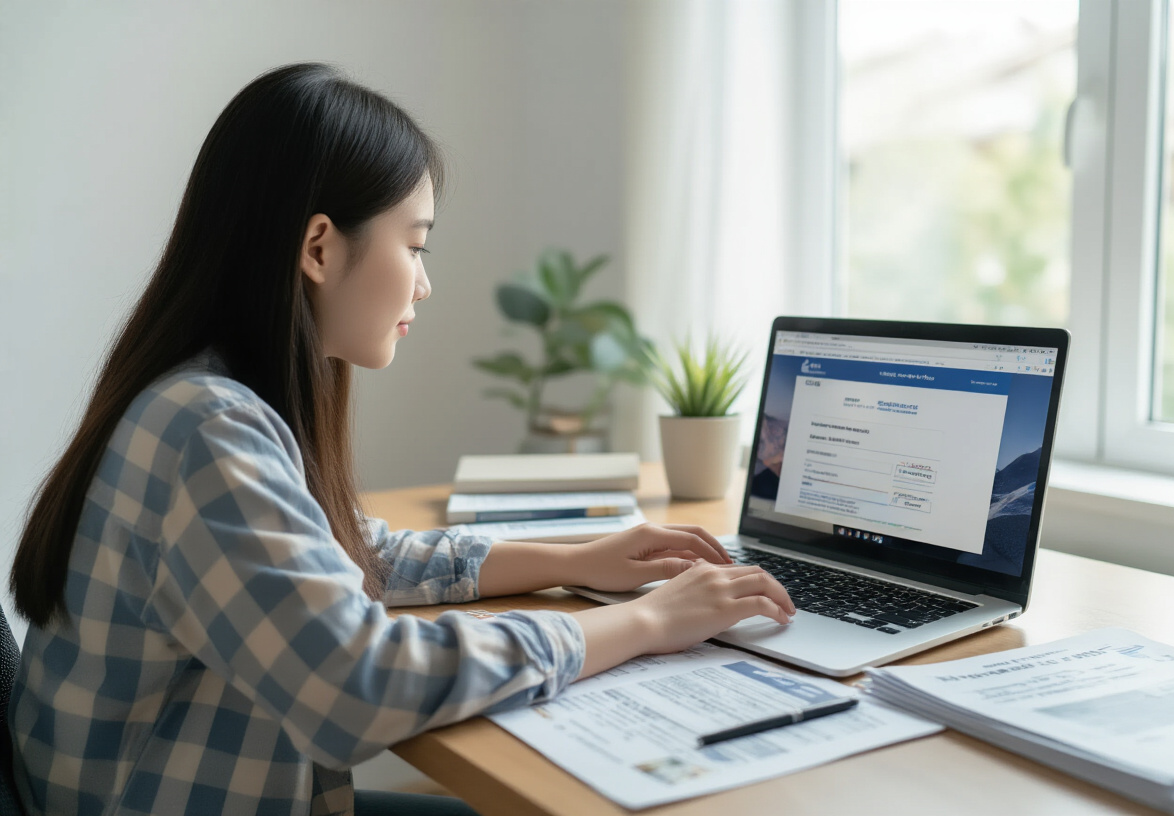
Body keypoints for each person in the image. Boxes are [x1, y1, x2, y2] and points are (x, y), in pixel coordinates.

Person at [6, 63, 794, 816]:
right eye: (414, 244)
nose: (423, 281)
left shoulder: (199, 396)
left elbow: (344, 556)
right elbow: (359, 687)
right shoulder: (205, 429)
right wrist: (647, 624)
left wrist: (575, 559)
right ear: (318, 248)